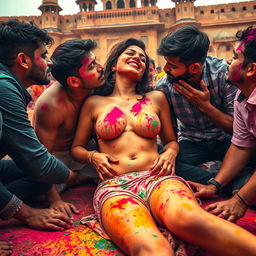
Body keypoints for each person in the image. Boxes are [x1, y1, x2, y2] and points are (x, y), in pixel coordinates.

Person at [71, 38, 256, 256]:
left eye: (142, 57)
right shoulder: (94, 103)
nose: (137, 58)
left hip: (158, 178)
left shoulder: (156, 98)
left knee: (191, 220)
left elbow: (171, 141)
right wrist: (93, 157)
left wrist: (169, 152)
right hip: (115, 186)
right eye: (130, 53)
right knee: (152, 248)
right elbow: (77, 148)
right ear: (113, 64)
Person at [0, 19, 78, 237]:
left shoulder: (9, 85)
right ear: (23, 60)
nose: (49, 63)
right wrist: (27, 213)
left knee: (37, 178)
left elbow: (31, 162)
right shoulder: (4, 89)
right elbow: (39, 162)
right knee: (44, 172)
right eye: (43, 56)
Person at [189, 26, 256, 222]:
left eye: (235, 57)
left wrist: (240, 200)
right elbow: (241, 146)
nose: (228, 60)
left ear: (251, 69)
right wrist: (214, 185)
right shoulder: (242, 97)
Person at [156, 25, 238, 184]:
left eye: (172, 66)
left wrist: (205, 106)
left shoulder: (223, 75)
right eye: (166, 63)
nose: (165, 69)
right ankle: (227, 182)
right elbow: (170, 137)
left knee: (249, 152)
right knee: (164, 164)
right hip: (191, 142)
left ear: (194, 68)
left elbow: (238, 129)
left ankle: (222, 179)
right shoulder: (164, 87)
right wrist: (170, 153)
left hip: (226, 141)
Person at [33, 39, 104, 217]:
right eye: (92, 66)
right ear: (74, 81)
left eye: (96, 61)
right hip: (57, 158)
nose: (101, 68)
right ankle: (75, 178)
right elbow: (42, 158)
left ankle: (75, 178)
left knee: (121, 167)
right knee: (37, 193)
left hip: (87, 151)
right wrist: (55, 199)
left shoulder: (98, 86)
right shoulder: (50, 105)